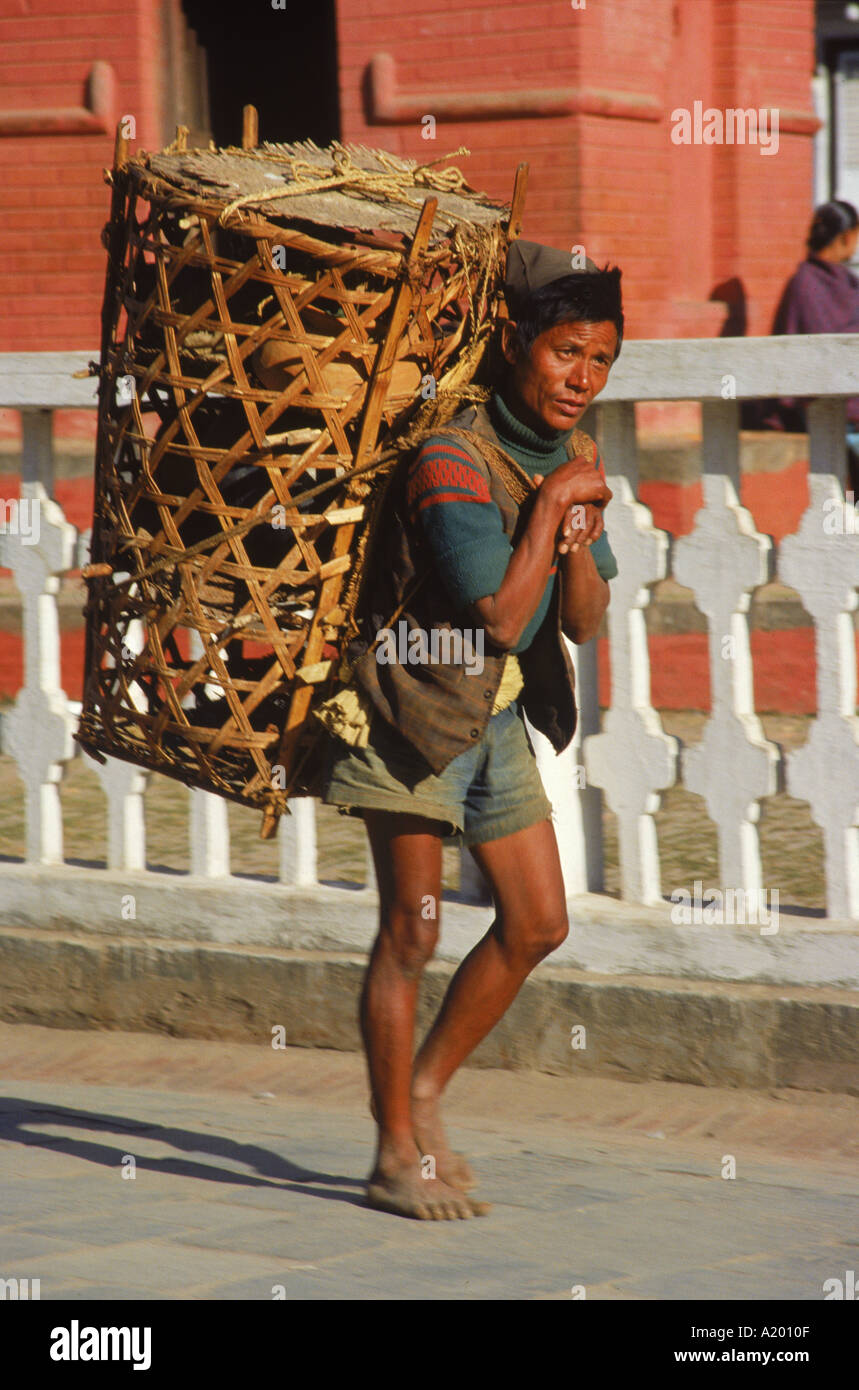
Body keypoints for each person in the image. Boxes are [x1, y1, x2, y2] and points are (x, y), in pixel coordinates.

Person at [317, 241, 622, 1220]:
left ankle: (424, 1091)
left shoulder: (572, 455)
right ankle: (392, 1152)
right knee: (412, 926)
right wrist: (548, 512)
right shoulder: (450, 455)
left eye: (602, 360)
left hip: (493, 717)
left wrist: (574, 528)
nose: (582, 378)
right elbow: (491, 612)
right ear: (513, 343)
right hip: (410, 709)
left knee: (538, 921)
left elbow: (575, 619)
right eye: (567, 351)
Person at [760, 201, 859, 477]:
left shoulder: (848, 282)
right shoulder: (806, 283)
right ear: (847, 236)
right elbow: (818, 348)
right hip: (826, 405)